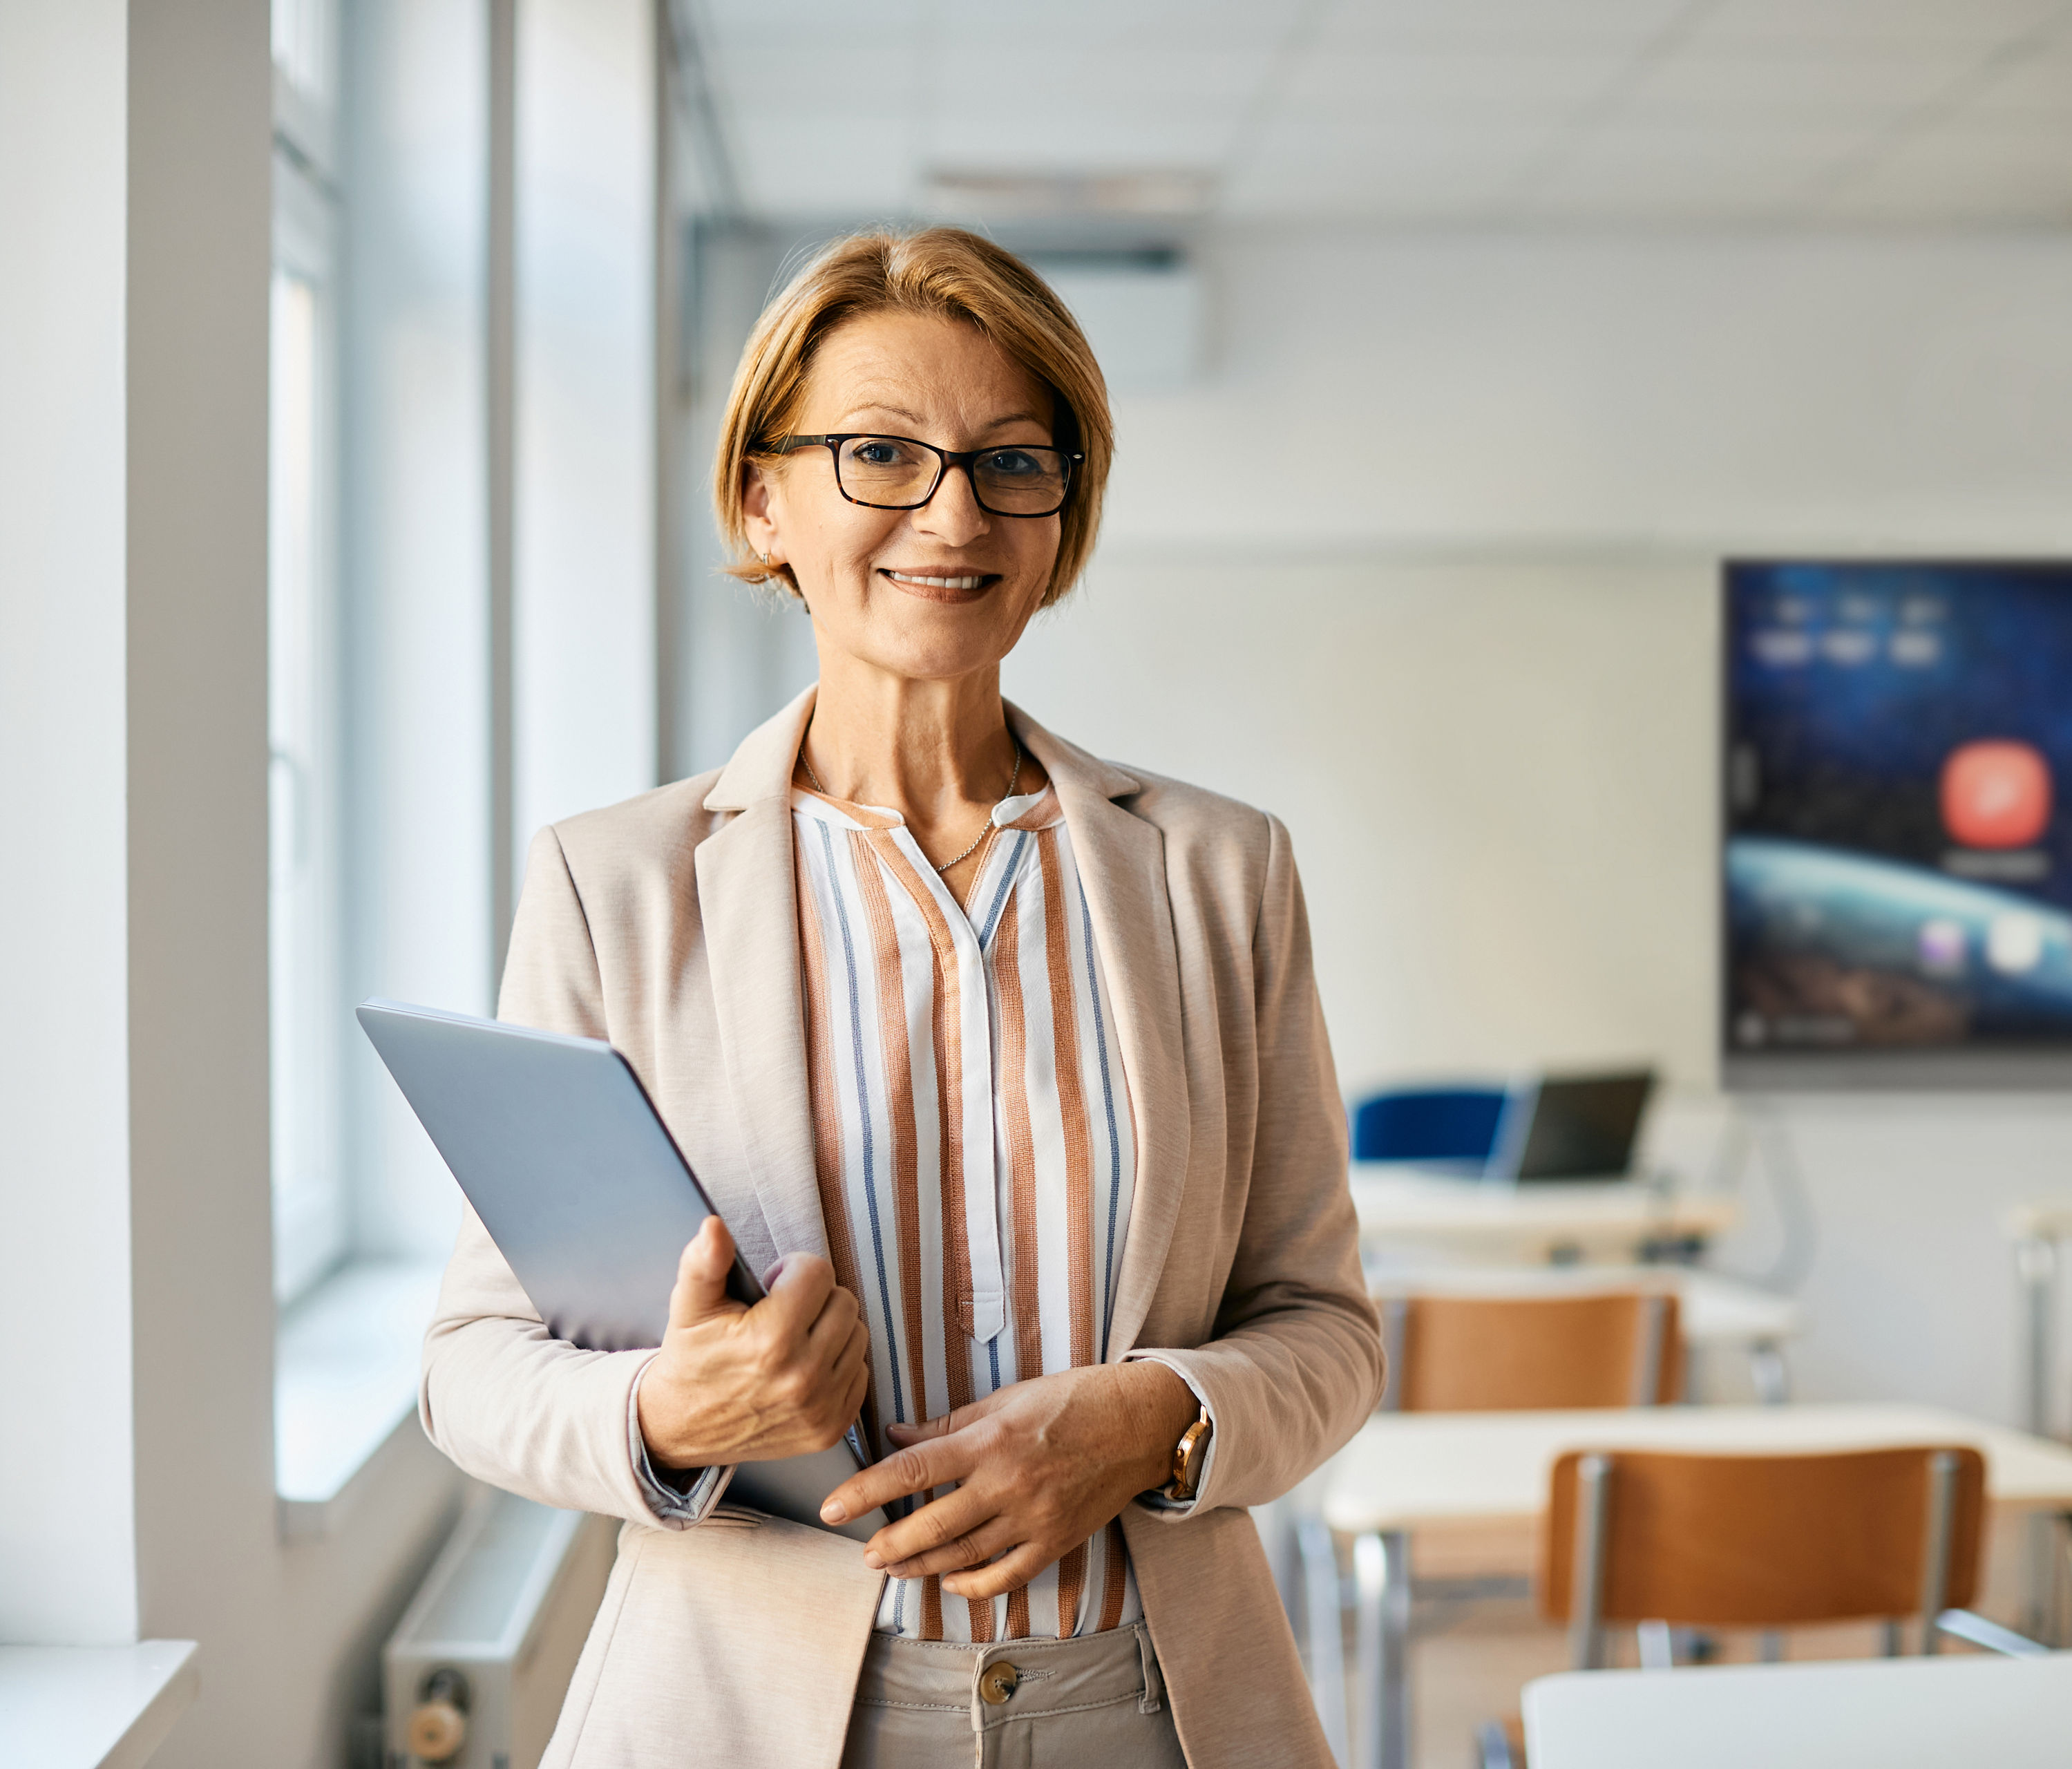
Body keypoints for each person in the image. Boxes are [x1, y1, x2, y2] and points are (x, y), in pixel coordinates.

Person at [419, 227, 1380, 1769]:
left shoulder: (1220, 872)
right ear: (762, 497)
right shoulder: (618, 882)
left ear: (1063, 515)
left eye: (1014, 460)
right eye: (880, 451)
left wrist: (1155, 1416)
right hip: (749, 1708)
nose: (953, 511)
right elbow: (474, 1364)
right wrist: (674, 1407)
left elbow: (1325, 1326)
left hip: (1153, 1705)